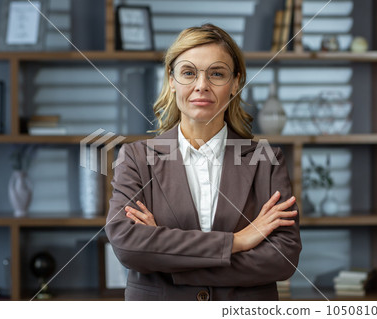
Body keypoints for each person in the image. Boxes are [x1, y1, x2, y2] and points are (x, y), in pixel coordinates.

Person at [104, 24, 301, 301]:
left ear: (235, 83)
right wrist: (238, 241)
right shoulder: (136, 158)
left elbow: (283, 258)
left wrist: (168, 260)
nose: (201, 86)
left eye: (217, 74)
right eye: (188, 73)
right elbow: (128, 246)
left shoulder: (267, 160)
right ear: (172, 80)